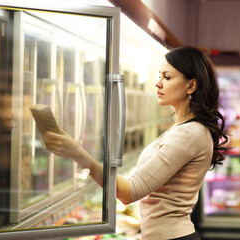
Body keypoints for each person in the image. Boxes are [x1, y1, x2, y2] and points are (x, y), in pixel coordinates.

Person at [42, 46, 228, 240]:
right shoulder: (183, 128)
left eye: (167, 77)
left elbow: (129, 192)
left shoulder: (190, 133)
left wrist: (77, 154)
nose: (158, 83)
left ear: (191, 86)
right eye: (159, 75)